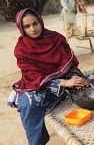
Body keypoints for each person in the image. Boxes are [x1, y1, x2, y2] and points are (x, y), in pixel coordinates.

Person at [6, 8, 86, 145]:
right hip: (38, 84)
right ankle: (38, 141)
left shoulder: (56, 38)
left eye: (35, 23)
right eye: (27, 26)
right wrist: (62, 83)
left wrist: (71, 79)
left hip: (64, 76)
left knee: (81, 84)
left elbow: (69, 62)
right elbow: (32, 76)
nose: (33, 29)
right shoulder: (21, 49)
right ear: (21, 28)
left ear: (40, 21)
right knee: (28, 104)